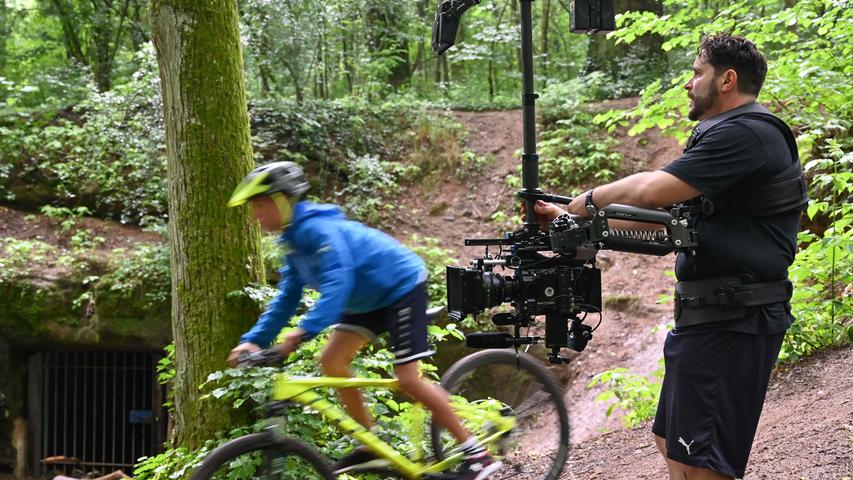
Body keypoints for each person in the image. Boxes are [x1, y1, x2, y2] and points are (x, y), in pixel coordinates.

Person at [528, 34, 806, 479]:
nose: (688, 83)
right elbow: (671, 222)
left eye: (698, 72)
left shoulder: (747, 134)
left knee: (701, 464)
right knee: (671, 443)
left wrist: (582, 202)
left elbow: (650, 190)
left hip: (735, 320)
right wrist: (574, 223)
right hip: (710, 318)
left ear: (727, 79)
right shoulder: (727, 141)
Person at [226, 161, 500, 479]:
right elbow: (287, 297)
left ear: (282, 200)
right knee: (331, 361)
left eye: (259, 205)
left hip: (400, 287)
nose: (255, 215)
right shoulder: (293, 243)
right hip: (365, 303)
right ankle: (371, 444)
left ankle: (477, 453)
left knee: (408, 378)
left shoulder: (317, 230)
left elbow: (337, 282)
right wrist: (254, 339)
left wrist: (303, 332)